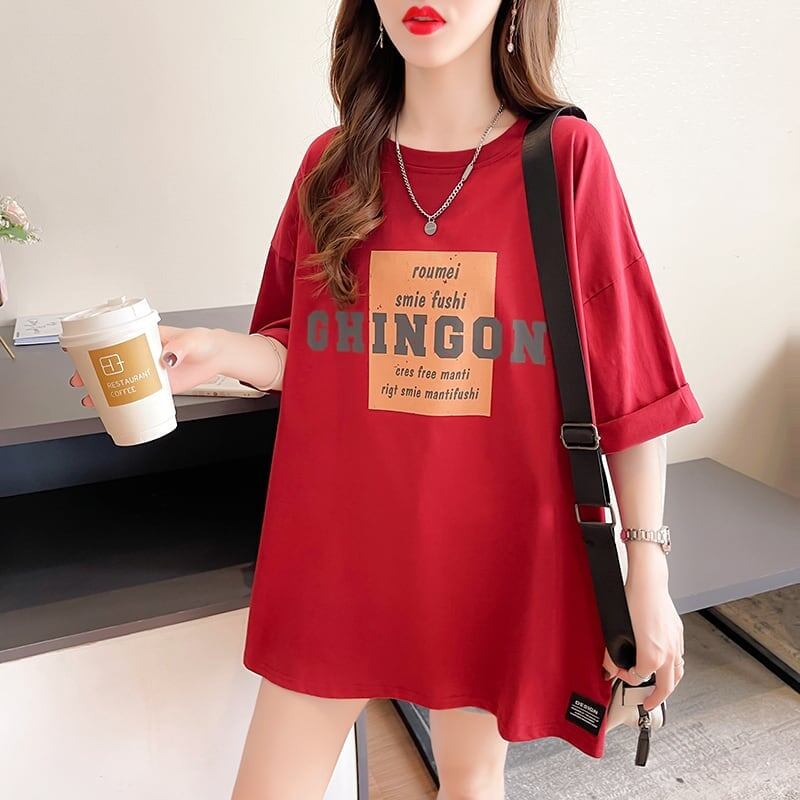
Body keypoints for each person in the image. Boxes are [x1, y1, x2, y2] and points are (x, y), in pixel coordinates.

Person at [68, 1, 704, 797]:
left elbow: (633, 384)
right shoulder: (331, 166)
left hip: (494, 551)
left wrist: (648, 571)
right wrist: (216, 352)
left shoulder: (565, 159)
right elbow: (316, 350)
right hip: (339, 549)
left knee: (470, 780)